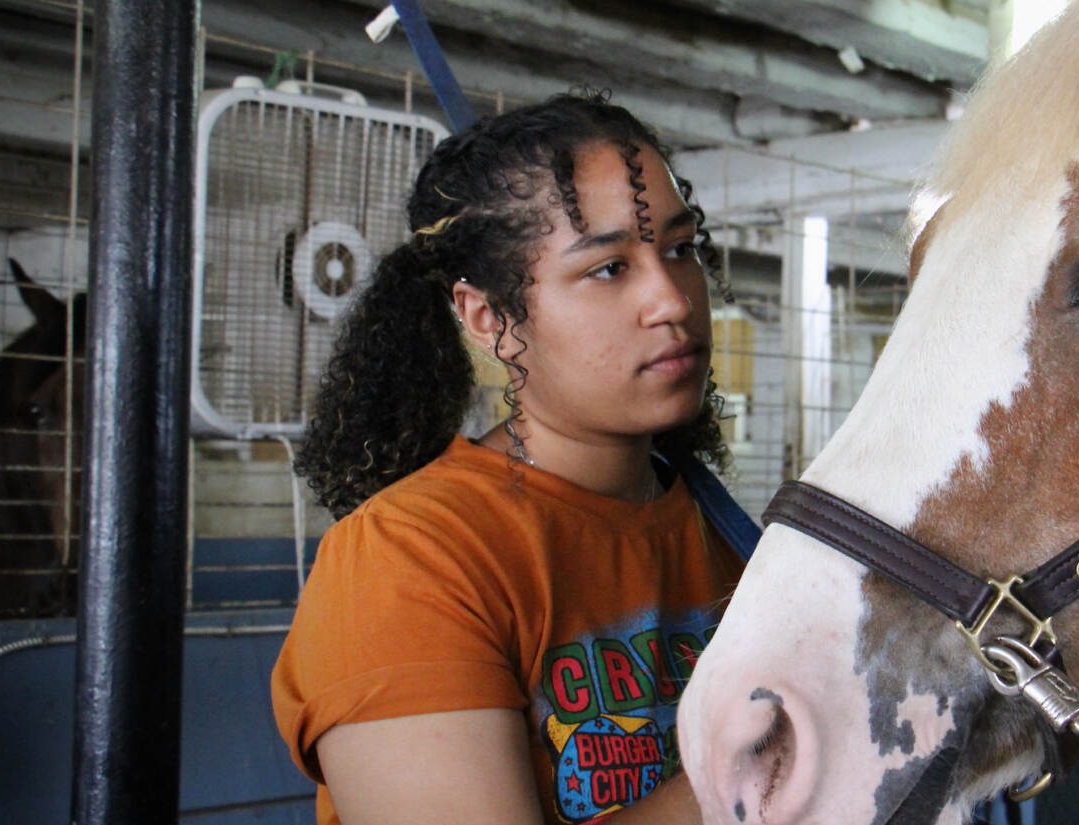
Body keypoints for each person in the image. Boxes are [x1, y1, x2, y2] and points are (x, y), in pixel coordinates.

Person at [271, 91, 750, 825]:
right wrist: (775, 764)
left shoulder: (733, 536)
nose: (673, 300)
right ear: (488, 319)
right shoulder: (408, 558)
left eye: (680, 250)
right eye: (607, 269)